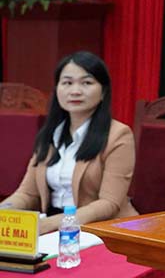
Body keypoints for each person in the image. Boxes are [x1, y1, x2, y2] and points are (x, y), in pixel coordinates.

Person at [2, 51, 137, 233]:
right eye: (67, 83)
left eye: (86, 83)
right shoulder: (50, 134)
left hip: (100, 229)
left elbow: (109, 203)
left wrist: (55, 223)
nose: (75, 91)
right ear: (57, 89)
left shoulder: (118, 135)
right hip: (51, 226)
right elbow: (27, 193)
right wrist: (4, 211)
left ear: (103, 92)